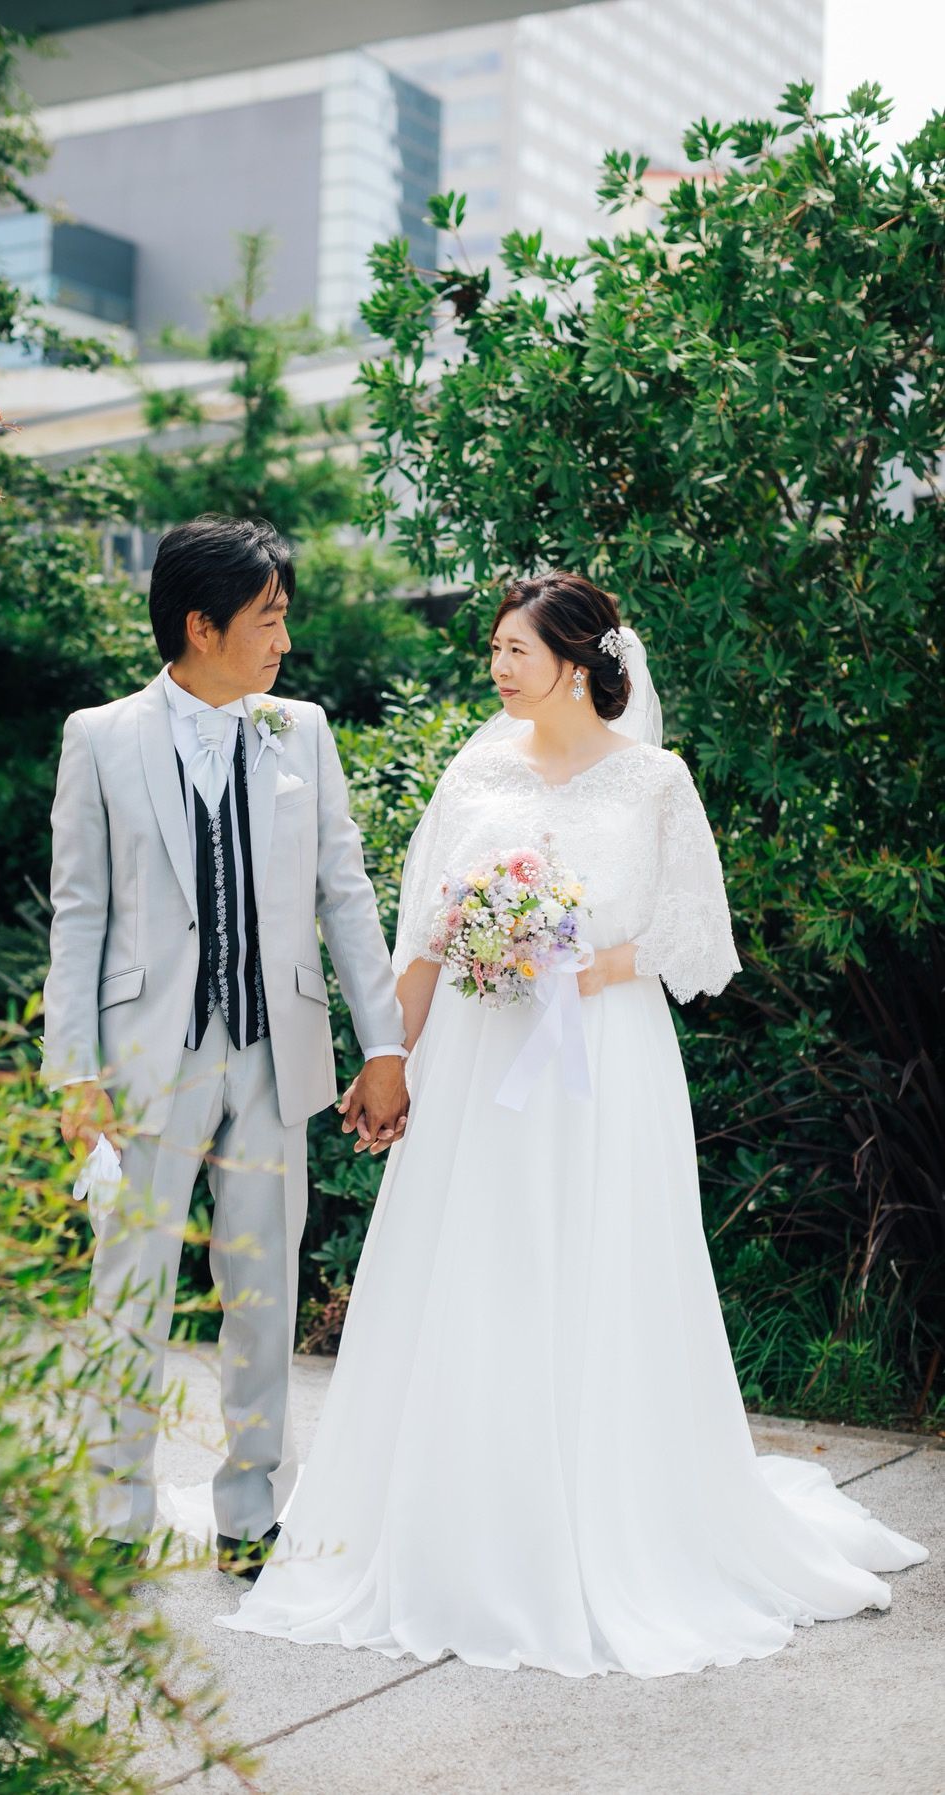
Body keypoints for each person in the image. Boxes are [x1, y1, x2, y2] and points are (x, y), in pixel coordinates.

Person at [214, 570, 927, 1676]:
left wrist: (585, 959)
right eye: (495, 648)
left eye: (516, 649)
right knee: (474, 1267)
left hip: (600, 1057)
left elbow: (698, 938)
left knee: (592, 1266)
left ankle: (602, 1519)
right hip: (476, 1055)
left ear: (579, 660)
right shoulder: (474, 769)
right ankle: (460, 1516)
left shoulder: (654, 781)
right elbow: (426, 935)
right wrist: (388, 1058)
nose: (496, 666)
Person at [40, 513, 409, 1572]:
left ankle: (249, 1512)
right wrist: (73, 1073)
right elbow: (78, 916)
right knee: (130, 1290)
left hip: (271, 1051)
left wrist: (382, 1045)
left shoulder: (301, 730)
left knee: (262, 1289)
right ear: (201, 626)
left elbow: (343, 892)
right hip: (141, 1060)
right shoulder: (100, 737)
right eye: (268, 618)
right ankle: (116, 1514)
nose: (283, 640)